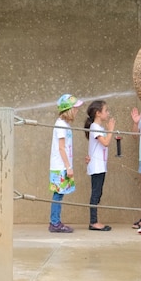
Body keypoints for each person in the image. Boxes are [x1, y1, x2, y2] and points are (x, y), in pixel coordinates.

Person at [48, 94, 82, 233]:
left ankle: (55, 221)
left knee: (59, 194)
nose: (77, 110)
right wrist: (68, 167)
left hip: (62, 165)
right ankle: (54, 223)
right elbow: (61, 148)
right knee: (58, 194)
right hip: (60, 166)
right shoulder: (61, 125)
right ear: (68, 109)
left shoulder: (64, 124)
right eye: (75, 108)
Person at [84, 100, 115, 231]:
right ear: (98, 113)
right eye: (106, 110)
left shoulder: (99, 128)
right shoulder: (95, 128)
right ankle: (93, 222)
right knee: (96, 193)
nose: (107, 113)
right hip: (96, 166)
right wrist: (111, 130)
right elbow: (106, 143)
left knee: (98, 192)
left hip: (100, 165)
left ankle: (95, 221)